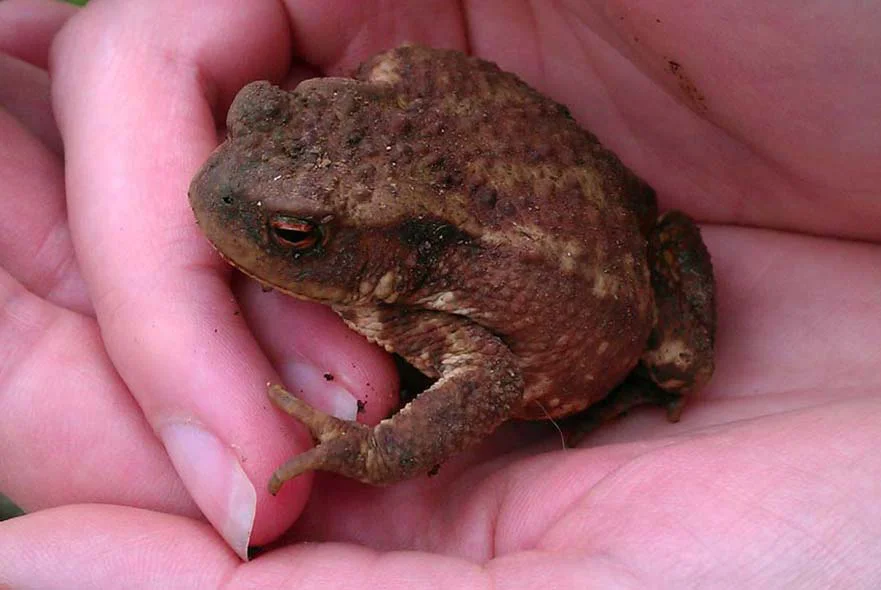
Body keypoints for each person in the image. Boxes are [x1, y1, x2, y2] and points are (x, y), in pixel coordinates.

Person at [1, 0, 879, 586]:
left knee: (676, 350)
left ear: (386, 258)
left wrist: (376, 453)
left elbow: (492, 376)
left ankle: (666, 377)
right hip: (500, 184)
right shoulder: (390, 87)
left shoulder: (431, 273)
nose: (218, 185)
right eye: (252, 118)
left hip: (601, 286)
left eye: (294, 234)